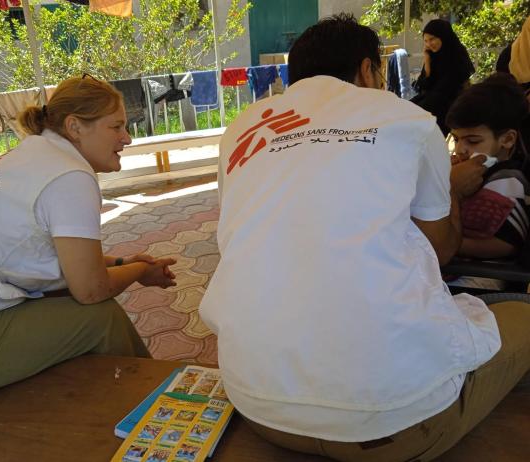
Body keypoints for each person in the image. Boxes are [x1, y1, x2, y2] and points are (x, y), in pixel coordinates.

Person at [199, 14, 530, 462]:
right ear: (369, 70)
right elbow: (440, 248)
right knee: (522, 317)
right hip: (393, 425)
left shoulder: (239, 130)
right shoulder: (407, 120)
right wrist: (450, 185)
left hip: (256, 403)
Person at [0, 76, 176, 399]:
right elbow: (91, 290)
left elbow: (58, 258)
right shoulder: (70, 175)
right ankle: (157, 406)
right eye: (117, 127)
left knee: (64, 305)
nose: (128, 138)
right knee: (100, 318)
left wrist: (125, 262)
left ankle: (122, 405)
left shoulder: (34, 153)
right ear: (75, 126)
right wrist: (139, 272)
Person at [447, 73, 530, 260]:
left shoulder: (507, 181)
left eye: (473, 141)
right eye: (457, 139)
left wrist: (445, 243)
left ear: (507, 139)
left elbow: (506, 245)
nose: (461, 149)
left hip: (477, 279)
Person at [411, 18, 475, 135]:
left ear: (443, 36)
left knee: (418, 115)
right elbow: (422, 86)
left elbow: (448, 87)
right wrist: (427, 61)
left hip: (451, 102)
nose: (429, 44)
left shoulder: (456, 54)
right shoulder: (433, 56)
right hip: (434, 99)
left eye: (432, 39)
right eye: (426, 41)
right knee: (407, 108)